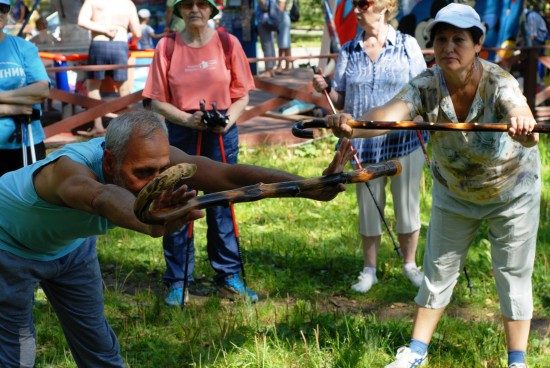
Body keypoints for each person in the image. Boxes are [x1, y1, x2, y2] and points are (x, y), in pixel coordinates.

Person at [0, 110, 355, 367]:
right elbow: (102, 199)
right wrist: (150, 221)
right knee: (19, 352)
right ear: (109, 162)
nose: (159, 181)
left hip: (70, 249)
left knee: (98, 345)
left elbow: (226, 174)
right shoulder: (68, 172)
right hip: (8, 250)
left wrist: (307, 187)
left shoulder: (153, 158)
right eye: (143, 174)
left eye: (163, 170)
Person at [326, 4, 540, 368]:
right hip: (454, 193)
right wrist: (352, 125)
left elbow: (521, 115)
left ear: (478, 46)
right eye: (441, 39)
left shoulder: (498, 81)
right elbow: (388, 116)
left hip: (511, 192)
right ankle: (415, 354)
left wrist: (522, 120)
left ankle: (516, 361)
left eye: (459, 39)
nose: (448, 47)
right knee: (438, 271)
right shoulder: (427, 83)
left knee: (512, 275)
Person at [143, 0, 258, 306]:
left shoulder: (226, 42)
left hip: (222, 131)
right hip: (182, 130)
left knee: (223, 202)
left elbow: (241, 93)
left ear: (211, 9)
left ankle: (229, 276)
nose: (195, 9)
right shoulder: (167, 46)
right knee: (181, 202)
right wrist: (186, 119)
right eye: (188, 4)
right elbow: (156, 100)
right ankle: (177, 280)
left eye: (201, 4)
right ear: (180, 10)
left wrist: (227, 121)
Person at [312, 0, 427, 294]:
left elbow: (425, 89)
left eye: (363, 3)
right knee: (368, 208)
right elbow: (338, 97)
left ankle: (410, 265)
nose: (357, 9)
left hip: (404, 140)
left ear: (384, 6)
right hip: (363, 145)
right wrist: (324, 88)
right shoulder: (349, 49)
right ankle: (369, 270)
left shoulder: (406, 45)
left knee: (407, 205)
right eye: (355, 4)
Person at [0, 0, 50, 177]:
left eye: (3, 8)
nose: (0, 13)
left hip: (26, 141)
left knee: (27, 200)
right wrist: (12, 108)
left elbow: (42, 91)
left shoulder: (24, 47)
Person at [77, 0, 141, 137]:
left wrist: (103, 29)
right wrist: (132, 42)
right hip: (121, 44)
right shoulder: (128, 3)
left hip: (99, 43)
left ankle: (98, 126)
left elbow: (82, 21)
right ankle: (129, 127)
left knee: (93, 86)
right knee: (123, 87)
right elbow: (137, 32)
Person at [275, 0, 292, 74]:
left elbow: (281, 7)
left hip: (283, 17)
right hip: (283, 17)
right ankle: (281, 66)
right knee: (283, 44)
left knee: (284, 44)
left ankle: (285, 67)